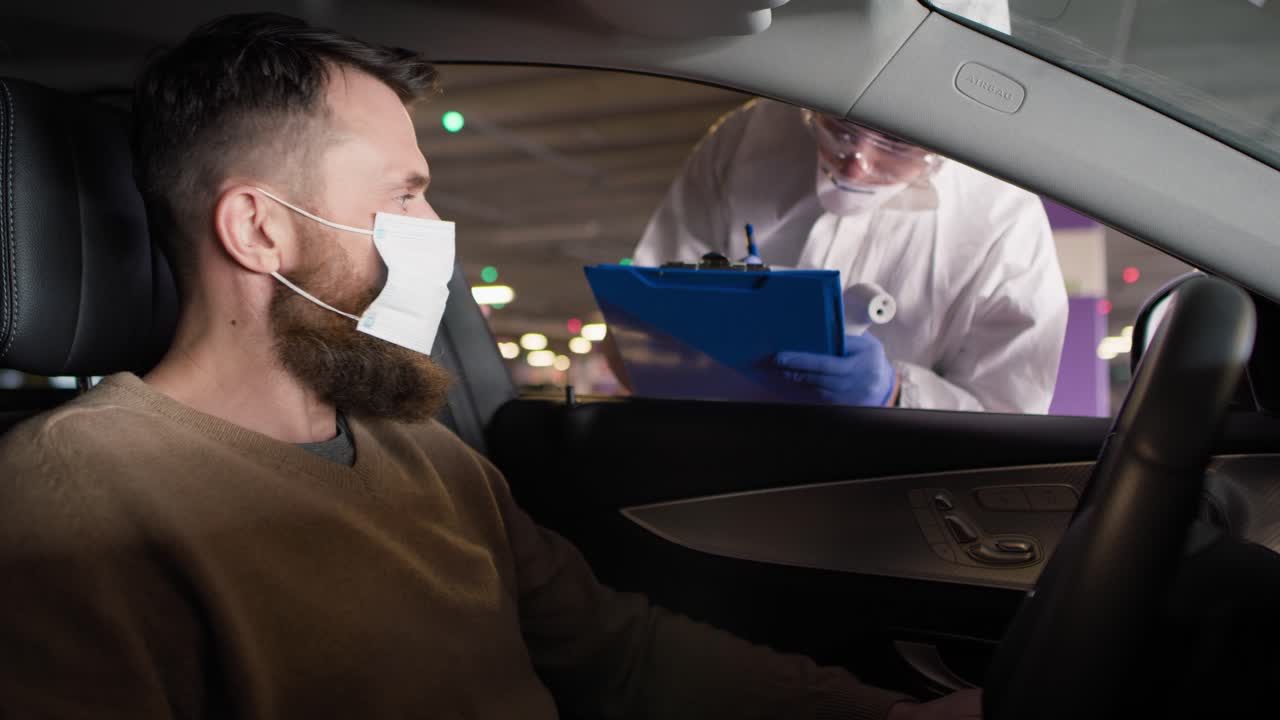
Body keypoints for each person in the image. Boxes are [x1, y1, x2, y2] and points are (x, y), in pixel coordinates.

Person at [0, 13, 980, 720]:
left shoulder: (423, 455)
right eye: (408, 193)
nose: (437, 233)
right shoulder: (67, 499)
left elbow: (620, 655)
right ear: (259, 228)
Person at [632, 8, 1066, 413]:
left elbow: (1010, 411)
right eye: (841, 126)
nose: (856, 163)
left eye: (896, 143)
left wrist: (895, 394)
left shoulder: (1004, 219)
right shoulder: (747, 140)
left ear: (951, 134)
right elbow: (652, 309)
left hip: (890, 475)